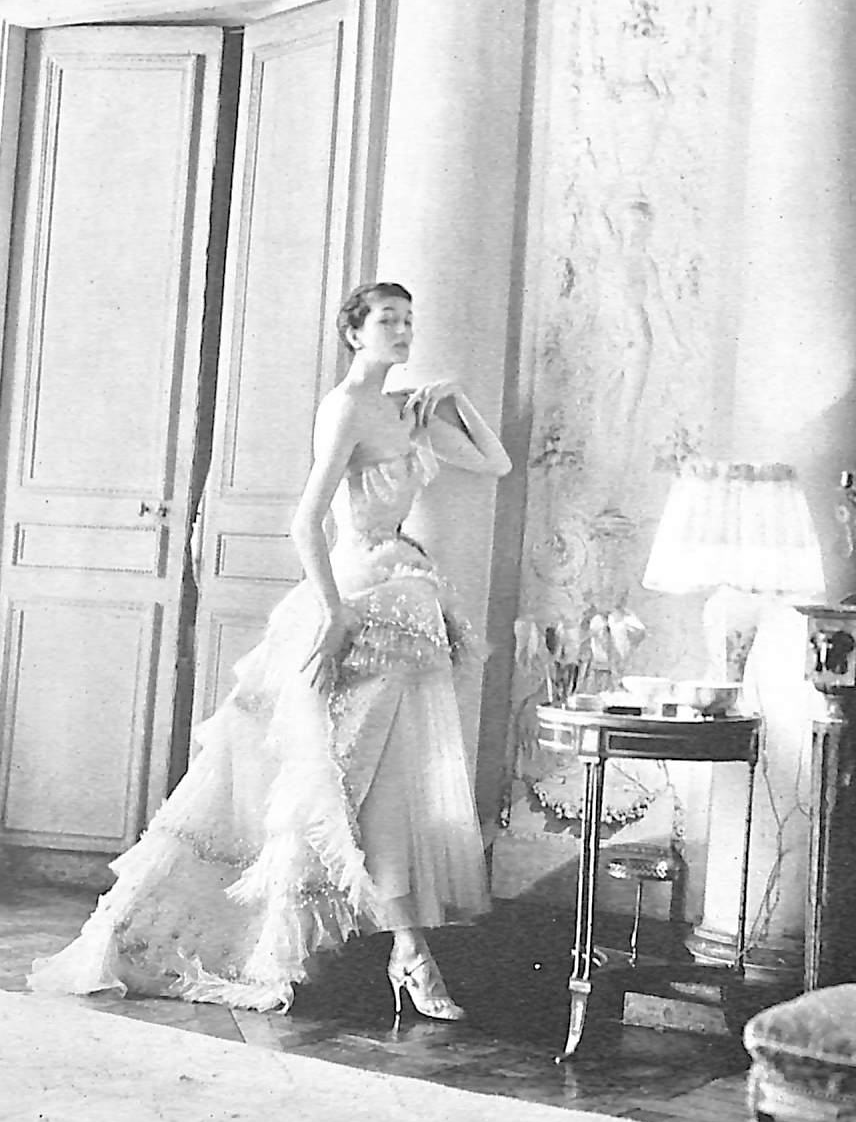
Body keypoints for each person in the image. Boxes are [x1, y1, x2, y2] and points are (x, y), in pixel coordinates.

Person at [29, 282, 512, 1018]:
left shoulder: (402, 409)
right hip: (356, 596)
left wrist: (453, 397)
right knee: (327, 786)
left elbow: (494, 463)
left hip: (402, 602)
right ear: (353, 333)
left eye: (409, 320)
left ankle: (407, 951)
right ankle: (385, 950)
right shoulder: (346, 407)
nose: (402, 331)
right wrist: (334, 612)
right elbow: (305, 522)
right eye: (387, 320)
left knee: (383, 786)